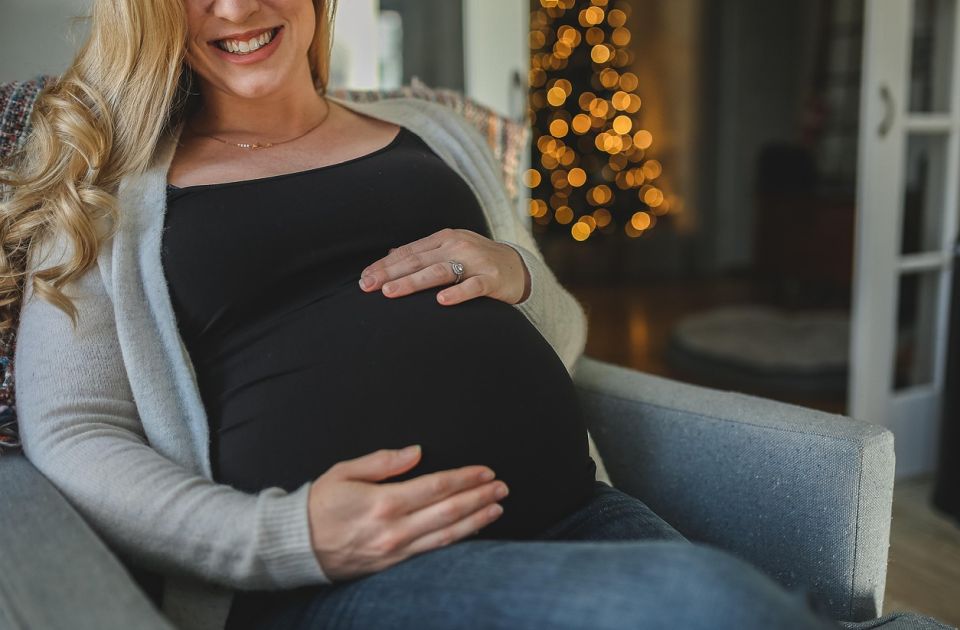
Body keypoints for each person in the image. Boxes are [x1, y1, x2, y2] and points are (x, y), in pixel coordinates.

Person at [1, 1, 940, 630]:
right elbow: (73, 429)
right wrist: (282, 538)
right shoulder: (105, 181)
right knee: (699, 601)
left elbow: (560, 334)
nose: (238, 8)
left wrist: (521, 279)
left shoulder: (433, 128)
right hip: (347, 579)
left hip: (580, 512)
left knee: (747, 607)